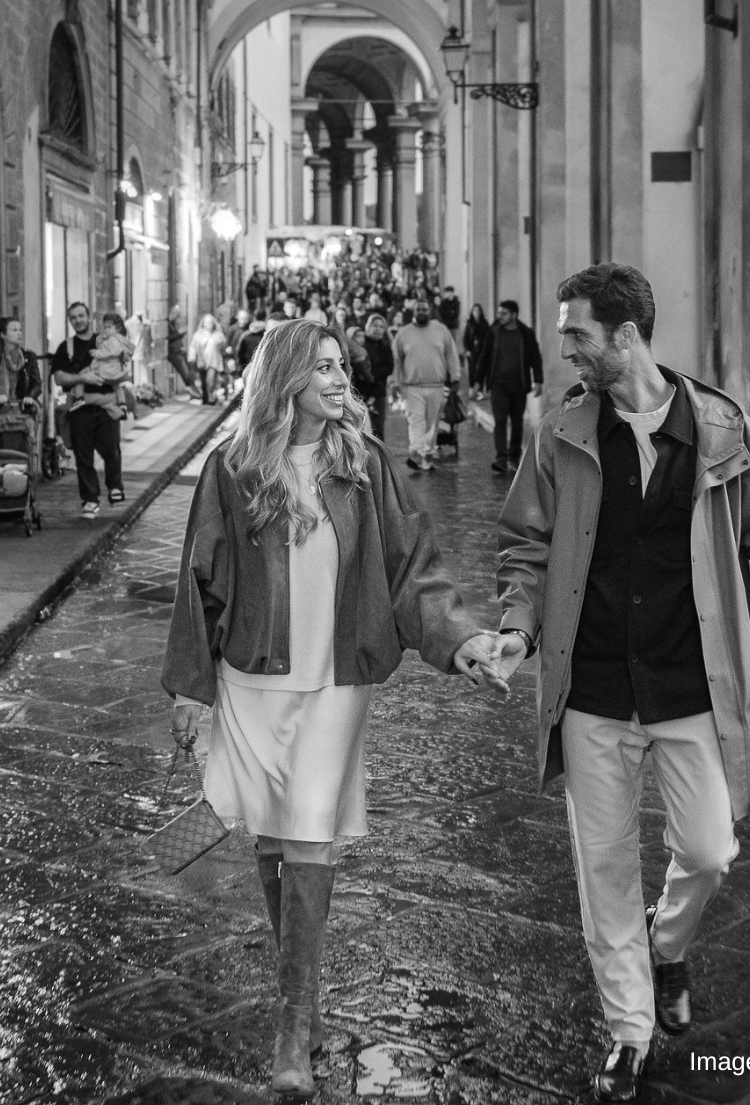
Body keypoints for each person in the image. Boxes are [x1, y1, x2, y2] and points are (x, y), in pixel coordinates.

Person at [485, 263, 750, 1102]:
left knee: (710, 849)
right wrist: (516, 628)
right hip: (592, 688)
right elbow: (527, 547)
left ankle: (665, 942)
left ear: (626, 337)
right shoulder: (558, 431)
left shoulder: (721, 427)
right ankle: (629, 1031)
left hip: (692, 686)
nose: (563, 347)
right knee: (603, 867)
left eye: (576, 334)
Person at [162, 320, 501, 1100]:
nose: (340, 377)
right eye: (321, 366)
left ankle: (291, 1023)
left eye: (341, 364)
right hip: (253, 679)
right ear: (284, 378)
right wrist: (191, 689)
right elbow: (198, 580)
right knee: (275, 833)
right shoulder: (234, 468)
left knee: (310, 828)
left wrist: (460, 642)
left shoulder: (365, 463)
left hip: (338, 683)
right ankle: (302, 995)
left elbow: (415, 570)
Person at [51, 302, 127, 517]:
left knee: (111, 450)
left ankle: (115, 486)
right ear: (70, 321)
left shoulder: (104, 341)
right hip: (80, 408)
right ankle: (90, 499)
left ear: (89, 318)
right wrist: (81, 377)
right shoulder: (66, 348)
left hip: (105, 405)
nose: (78, 320)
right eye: (74, 317)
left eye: (81, 315)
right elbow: (58, 377)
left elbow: (120, 362)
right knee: (83, 457)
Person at [474, 300, 544, 475]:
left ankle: (514, 456)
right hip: (498, 384)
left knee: (517, 422)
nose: (499, 316)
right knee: (500, 421)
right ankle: (501, 459)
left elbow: (535, 357)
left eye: (503, 313)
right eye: (498, 313)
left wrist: (538, 380)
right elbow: (484, 357)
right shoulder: (494, 332)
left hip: (519, 385)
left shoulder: (525, 333)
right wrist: (477, 382)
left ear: (514, 315)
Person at [392, 298, 460, 473]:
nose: (421, 312)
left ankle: (427, 457)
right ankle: (415, 454)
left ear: (430, 311)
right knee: (416, 421)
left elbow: (452, 355)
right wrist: (394, 383)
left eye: (424, 309)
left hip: (437, 385)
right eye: (418, 310)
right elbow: (397, 360)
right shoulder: (403, 333)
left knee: (432, 424)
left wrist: (455, 377)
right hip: (412, 386)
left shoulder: (441, 330)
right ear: (413, 313)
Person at [67, 314, 134, 420]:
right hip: (111, 370)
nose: (106, 330)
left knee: (82, 376)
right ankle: (122, 406)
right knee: (116, 387)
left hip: (105, 370)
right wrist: (100, 339)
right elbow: (101, 346)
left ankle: (79, 398)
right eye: (105, 327)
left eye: (109, 327)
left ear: (118, 328)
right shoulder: (114, 338)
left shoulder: (116, 340)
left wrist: (97, 353)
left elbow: (112, 351)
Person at [0, 316, 42, 412]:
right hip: (1, 409)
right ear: (3, 335)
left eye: (20, 330)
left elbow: (37, 385)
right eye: (14, 330)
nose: (19, 333)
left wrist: (30, 396)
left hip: (23, 408)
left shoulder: (29, 356)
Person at [359, 313, 394, 441]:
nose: (378, 329)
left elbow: (389, 367)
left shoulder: (385, 346)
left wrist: (371, 373)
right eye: (375, 325)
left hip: (379, 392)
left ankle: (380, 459)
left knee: (378, 428)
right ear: (368, 326)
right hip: (362, 391)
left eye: (381, 326)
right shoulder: (361, 344)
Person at [188, 313, 227, 405]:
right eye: (206, 322)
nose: (208, 324)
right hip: (202, 360)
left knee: (209, 380)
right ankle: (206, 399)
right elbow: (193, 346)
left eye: (210, 322)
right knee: (203, 380)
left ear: (213, 323)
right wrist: (192, 357)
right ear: (203, 323)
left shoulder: (218, 334)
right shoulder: (199, 334)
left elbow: (223, 346)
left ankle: (211, 398)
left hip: (214, 361)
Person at [167, 306, 198, 399]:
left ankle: (193, 390)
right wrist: (180, 333)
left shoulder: (173, 323)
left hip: (179, 350)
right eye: (176, 314)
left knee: (189, 370)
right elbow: (167, 338)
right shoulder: (167, 324)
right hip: (173, 352)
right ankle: (192, 390)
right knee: (185, 372)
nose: (177, 317)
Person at [462, 304, 490, 396]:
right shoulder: (469, 324)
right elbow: (465, 338)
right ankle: (471, 388)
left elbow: (488, 337)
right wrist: (467, 350)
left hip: (482, 350)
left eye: (478, 310)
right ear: (472, 312)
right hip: (472, 350)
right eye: (474, 310)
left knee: (481, 370)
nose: (476, 312)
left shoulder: (485, 324)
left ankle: (480, 389)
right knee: (472, 370)